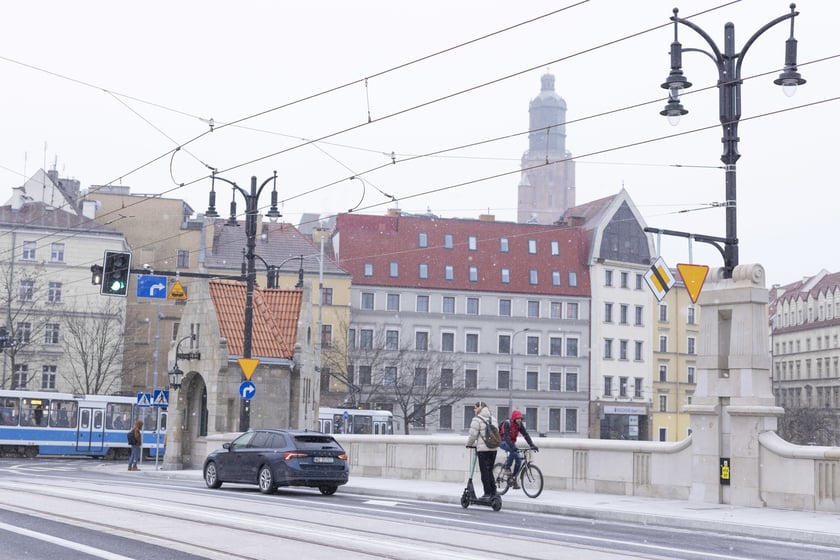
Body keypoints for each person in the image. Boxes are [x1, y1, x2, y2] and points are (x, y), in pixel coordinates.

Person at [465, 401, 498, 499]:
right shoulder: (493, 419)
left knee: (484, 471)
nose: (474, 410)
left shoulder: (477, 419)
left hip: (483, 450)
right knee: (489, 470)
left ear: (480, 407)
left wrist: (469, 444)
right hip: (493, 448)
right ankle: (493, 492)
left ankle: (487, 493)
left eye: (475, 408)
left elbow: (473, 435)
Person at [500, 409, 539, 489]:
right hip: (503, 441)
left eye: (521, 419)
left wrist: (532, 445)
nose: (519, 420)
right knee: (513, 451)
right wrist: (513, 447)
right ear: (514, 418)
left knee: (518, 459)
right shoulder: (507, 423)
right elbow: (506, 437)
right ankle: (507, 467)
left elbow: (526, 435)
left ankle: (513, 479)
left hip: (511, 443)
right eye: (518, 419)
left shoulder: (519, 425)